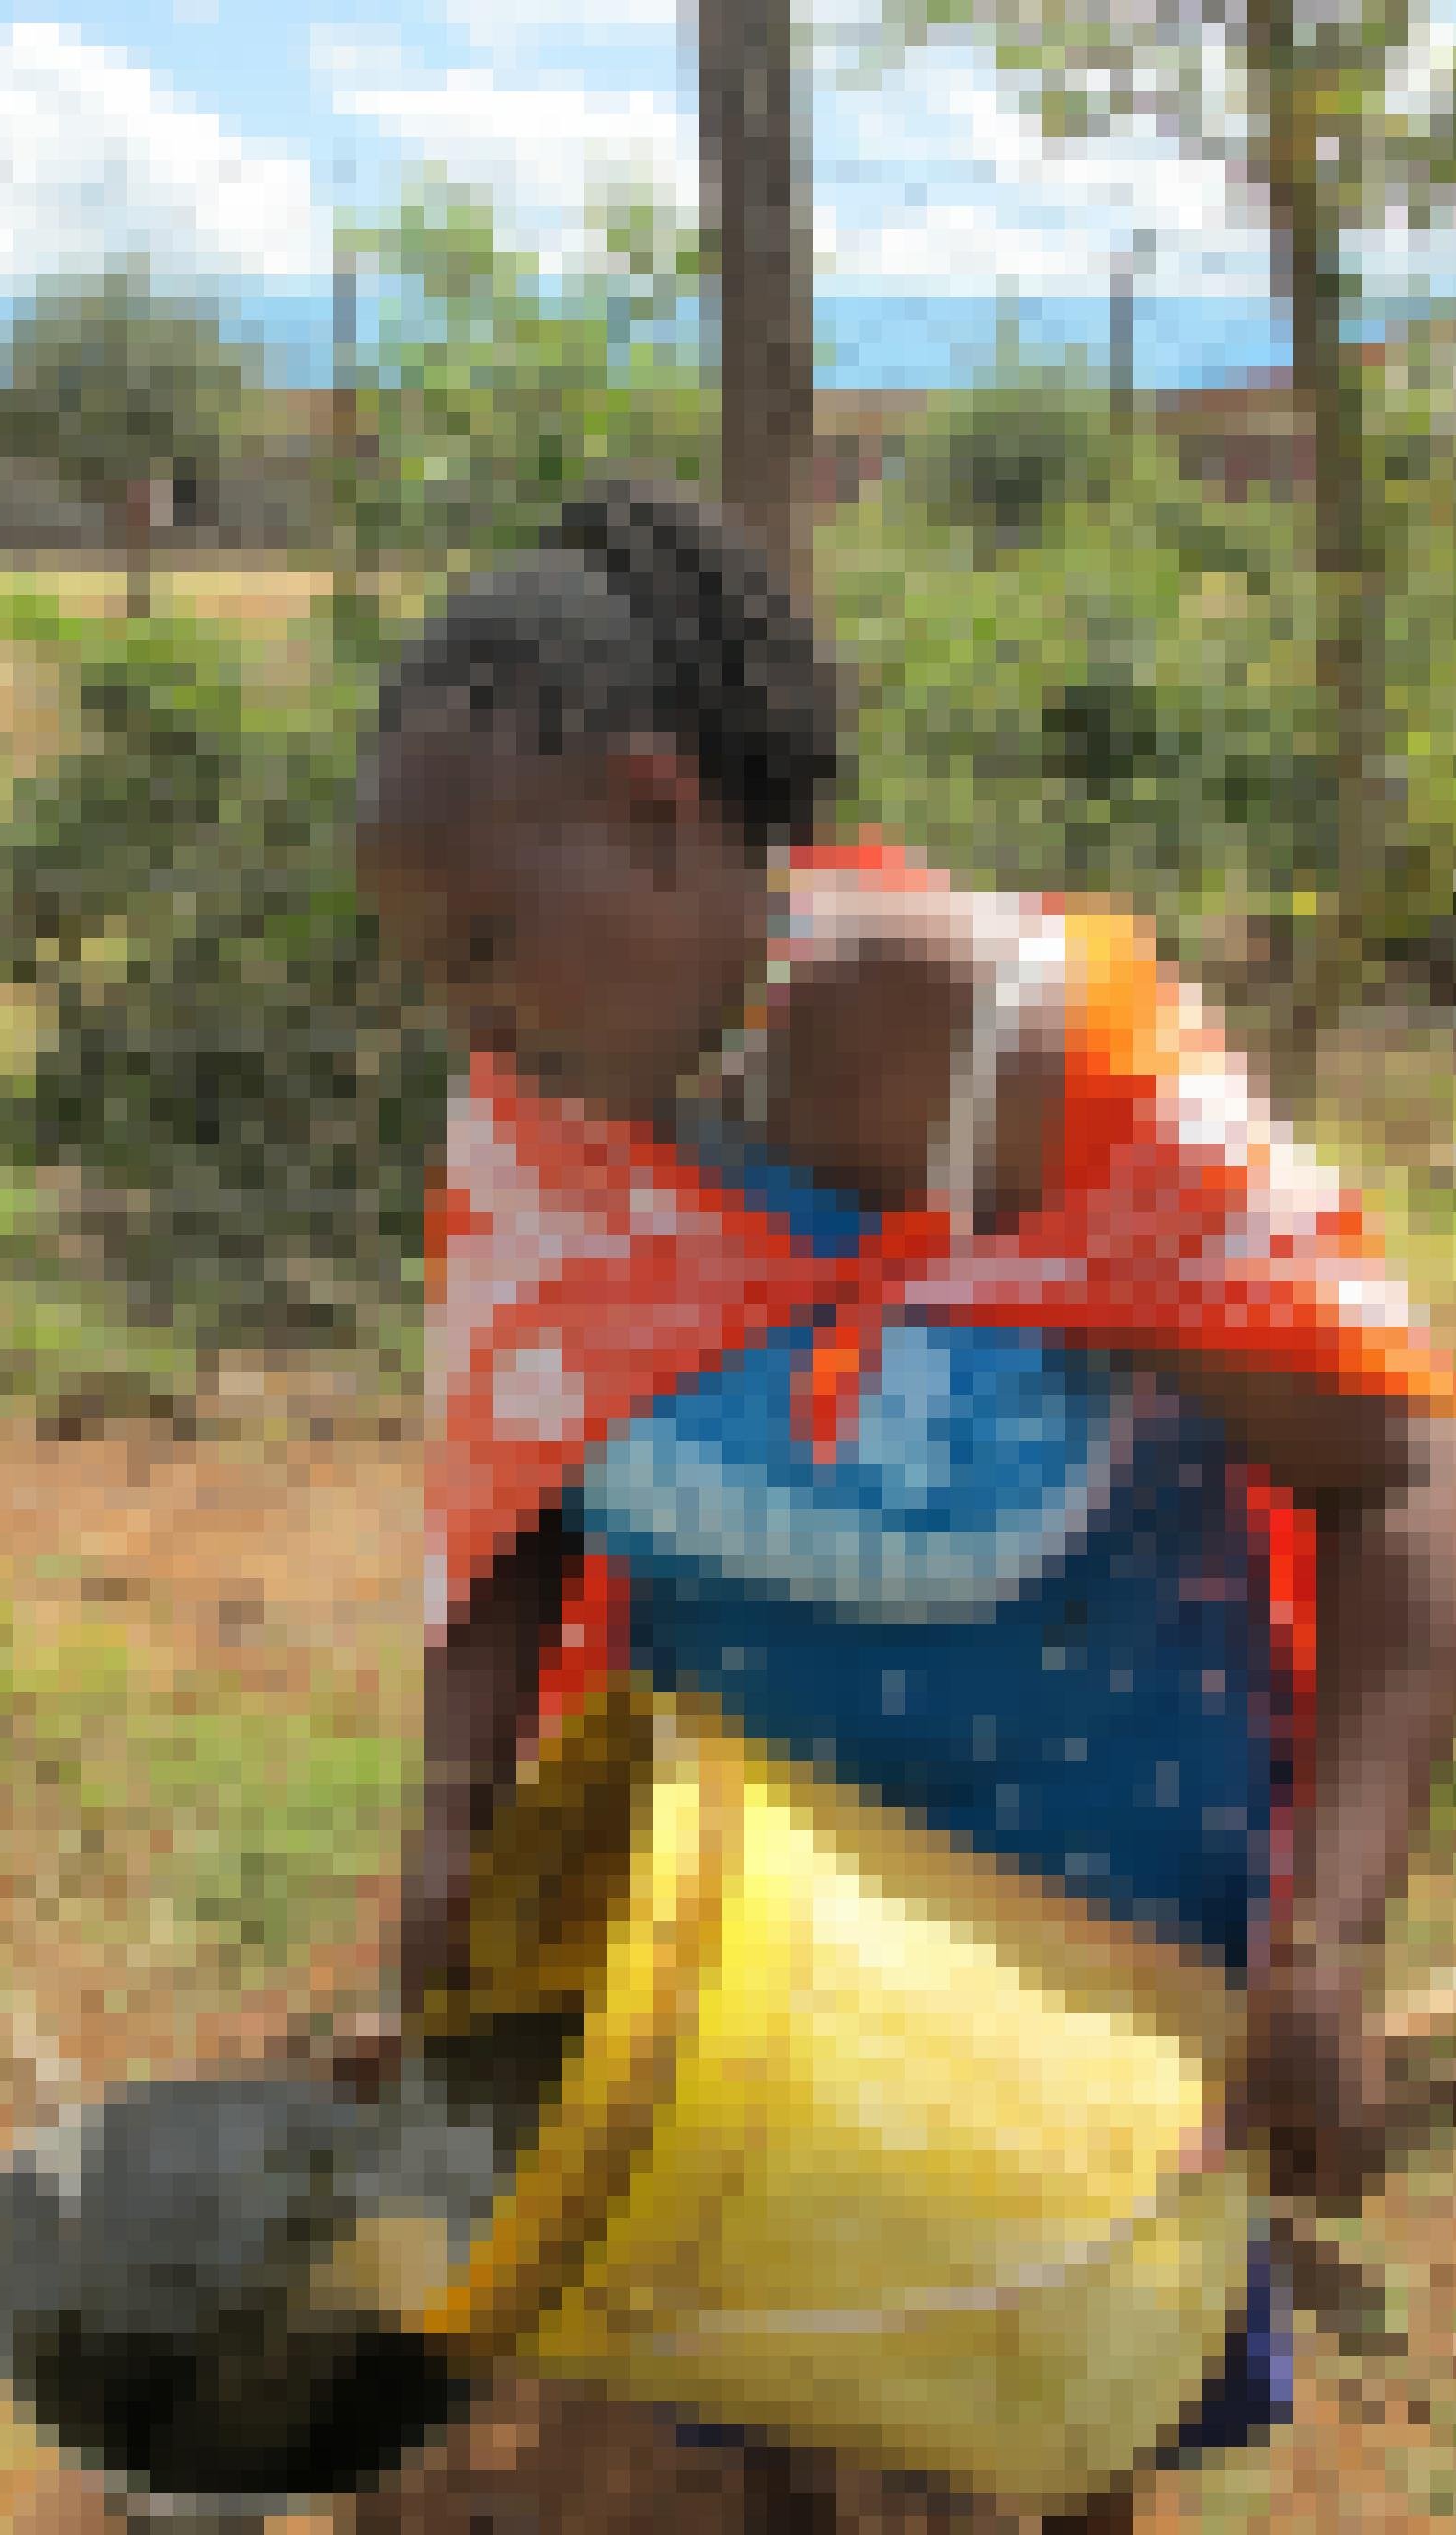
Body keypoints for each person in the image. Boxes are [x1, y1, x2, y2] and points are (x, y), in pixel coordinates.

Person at [341, 478, 1456, 2530]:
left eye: (487, 950)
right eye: (434, 977)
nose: (469, 1026)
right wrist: (448, 1818)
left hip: (1078, 1934)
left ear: (661, 811)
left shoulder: (1066, 1079)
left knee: (1040, 2392)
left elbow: (1390, 1476)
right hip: (732, 1936)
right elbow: (514, 1479)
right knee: (754, 2364)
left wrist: (1327, 1951)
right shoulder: (541, 1119)